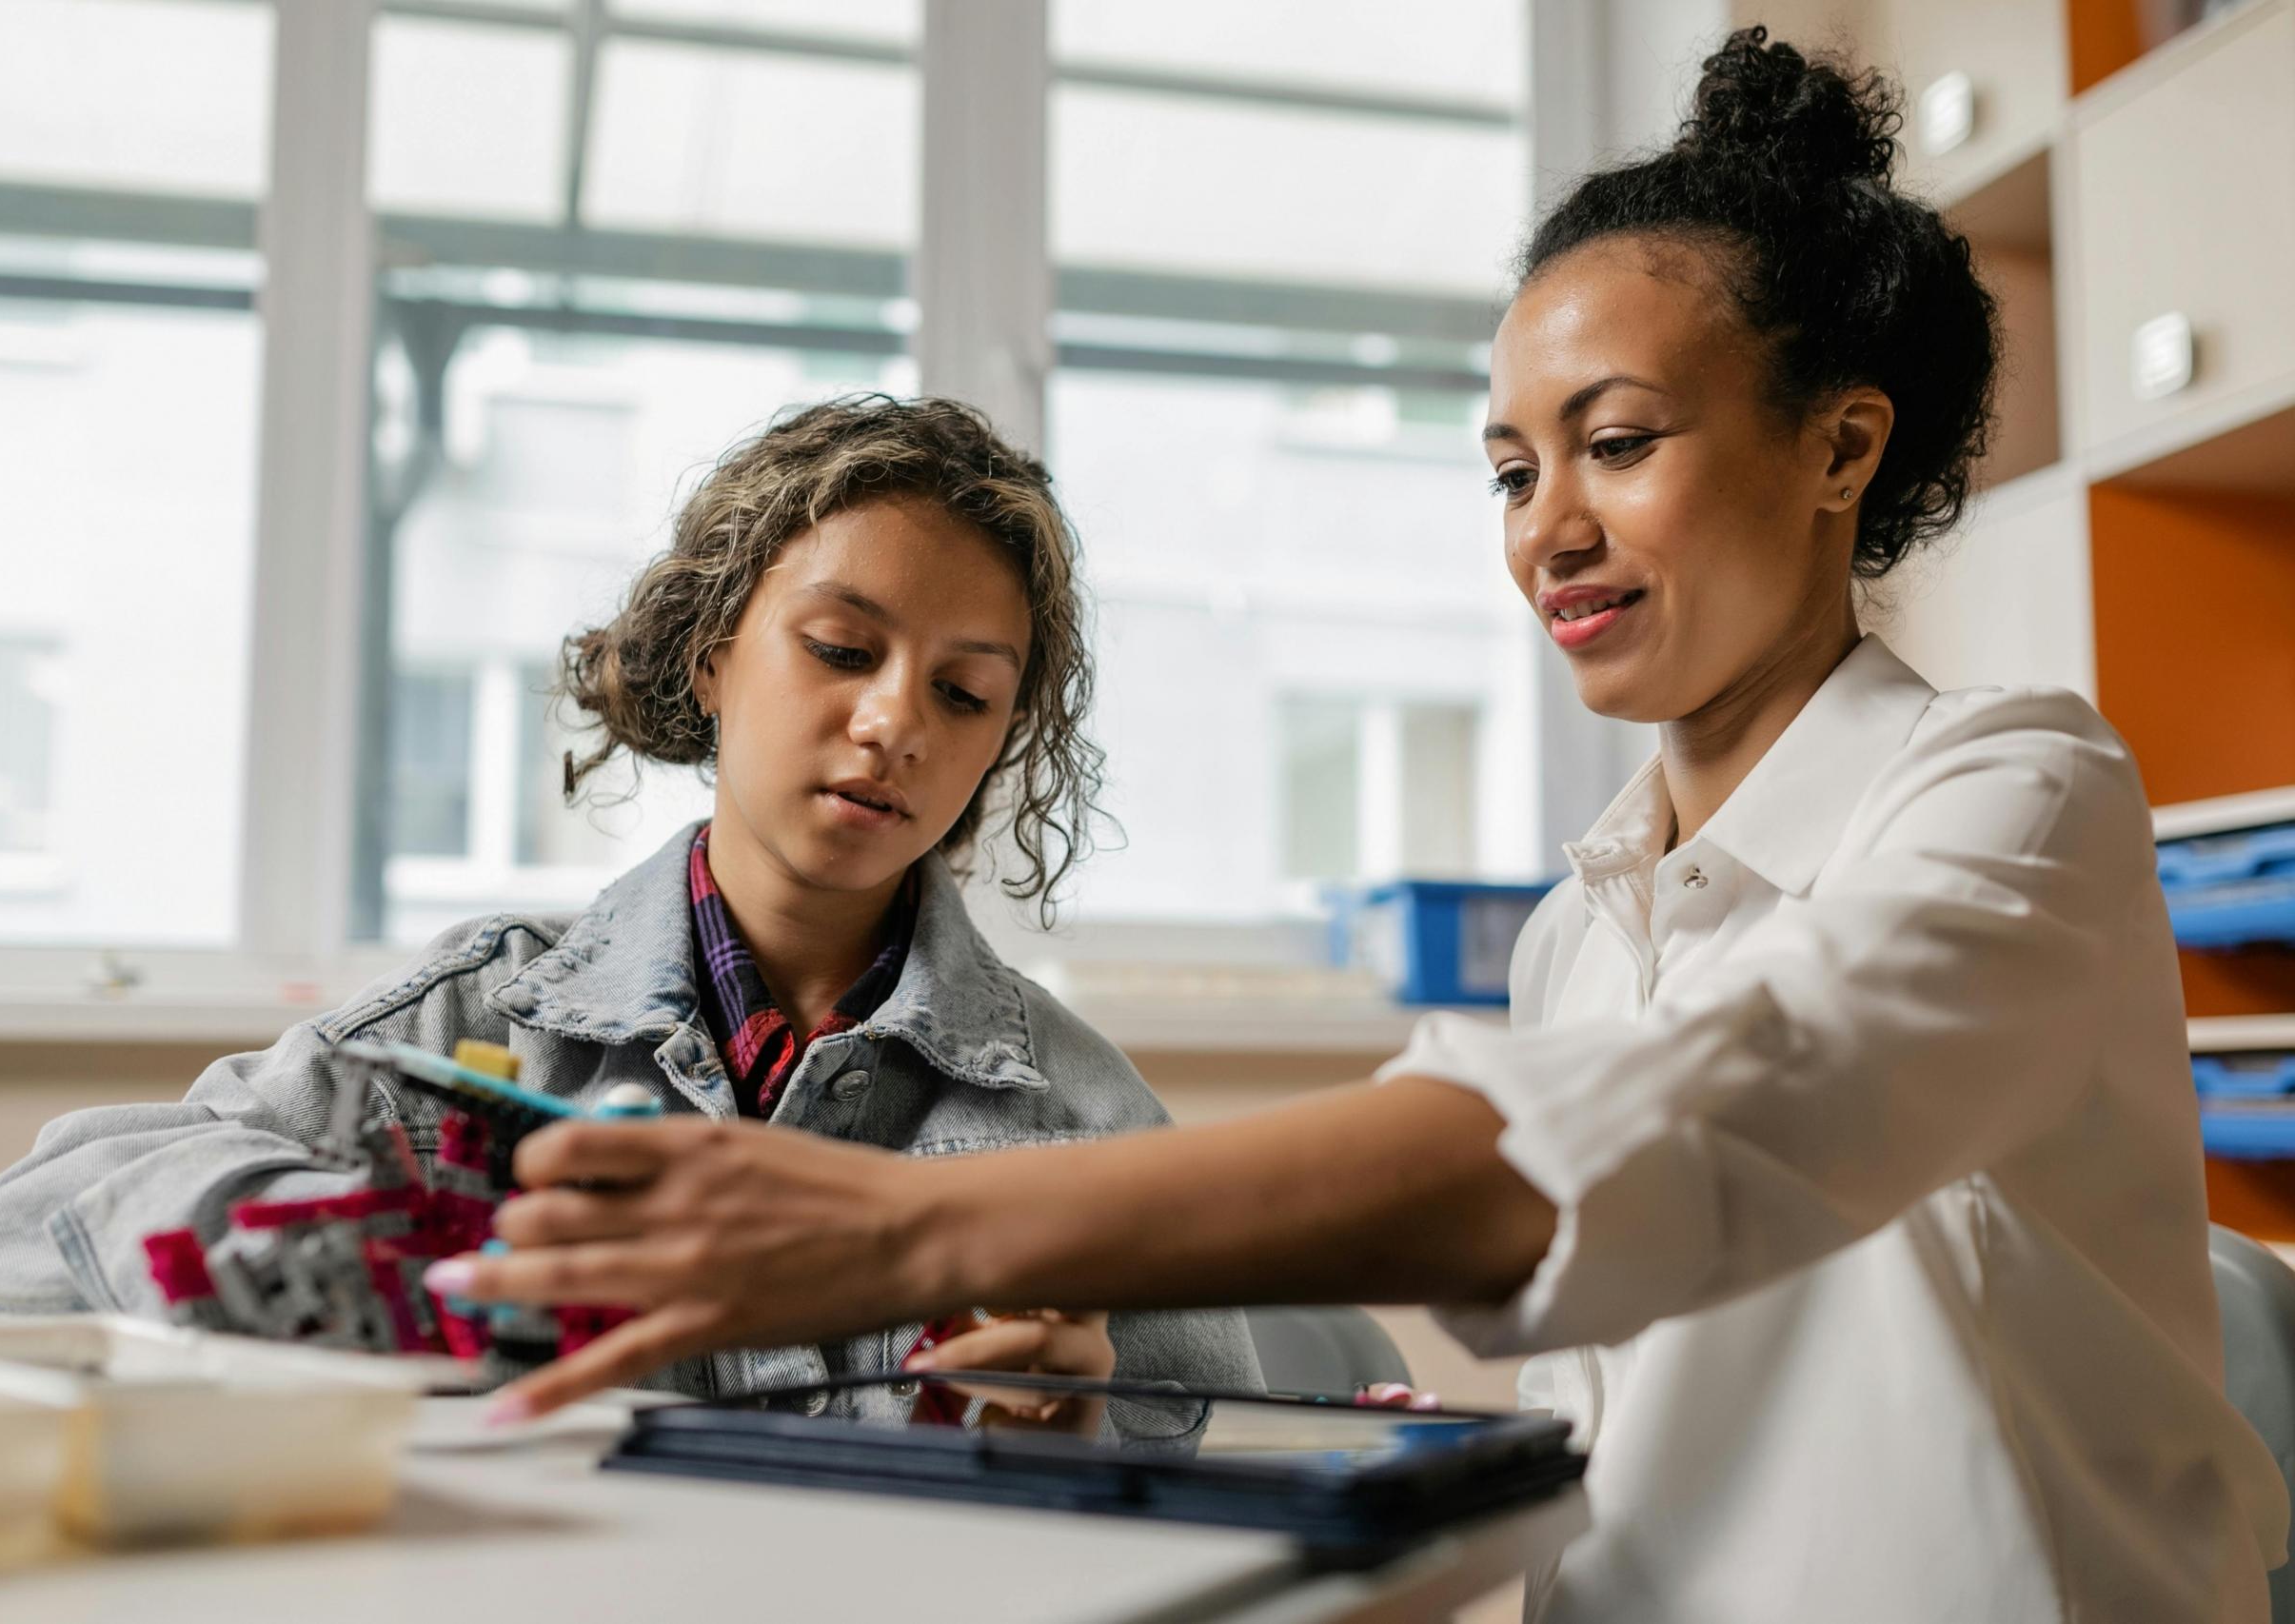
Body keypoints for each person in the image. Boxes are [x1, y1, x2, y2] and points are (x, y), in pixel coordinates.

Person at [425, 32, 2289, 1621]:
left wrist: (900, 1232)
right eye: (1507, 468)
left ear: (1836, 446)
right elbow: (1602, 1370)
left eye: (1615, 443)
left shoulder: (2013, 789)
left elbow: (1671, 1133)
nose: (1542, 525)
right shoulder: (1579, 934)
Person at [0, 394, 1260, 1444]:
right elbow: (11, 1238)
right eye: (844, 650)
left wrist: (1083, 1416)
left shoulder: (1084, 1121)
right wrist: (347, 1262)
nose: (894, 722)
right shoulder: (468, 1036)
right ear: (710, 654)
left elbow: (1218, 1450)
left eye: (966, 694)